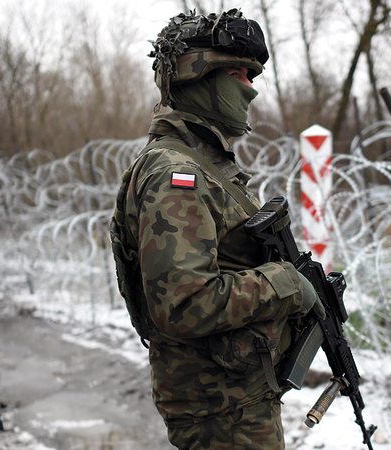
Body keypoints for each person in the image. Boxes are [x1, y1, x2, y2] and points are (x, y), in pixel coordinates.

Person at [110, 9, 322, 450]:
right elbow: (184, 303)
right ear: (200, 75)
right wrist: (286, 284)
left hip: (235, 395)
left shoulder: (204, 167)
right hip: (218, 409)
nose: (252, 87)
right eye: (240, 73)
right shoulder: (176, 174)